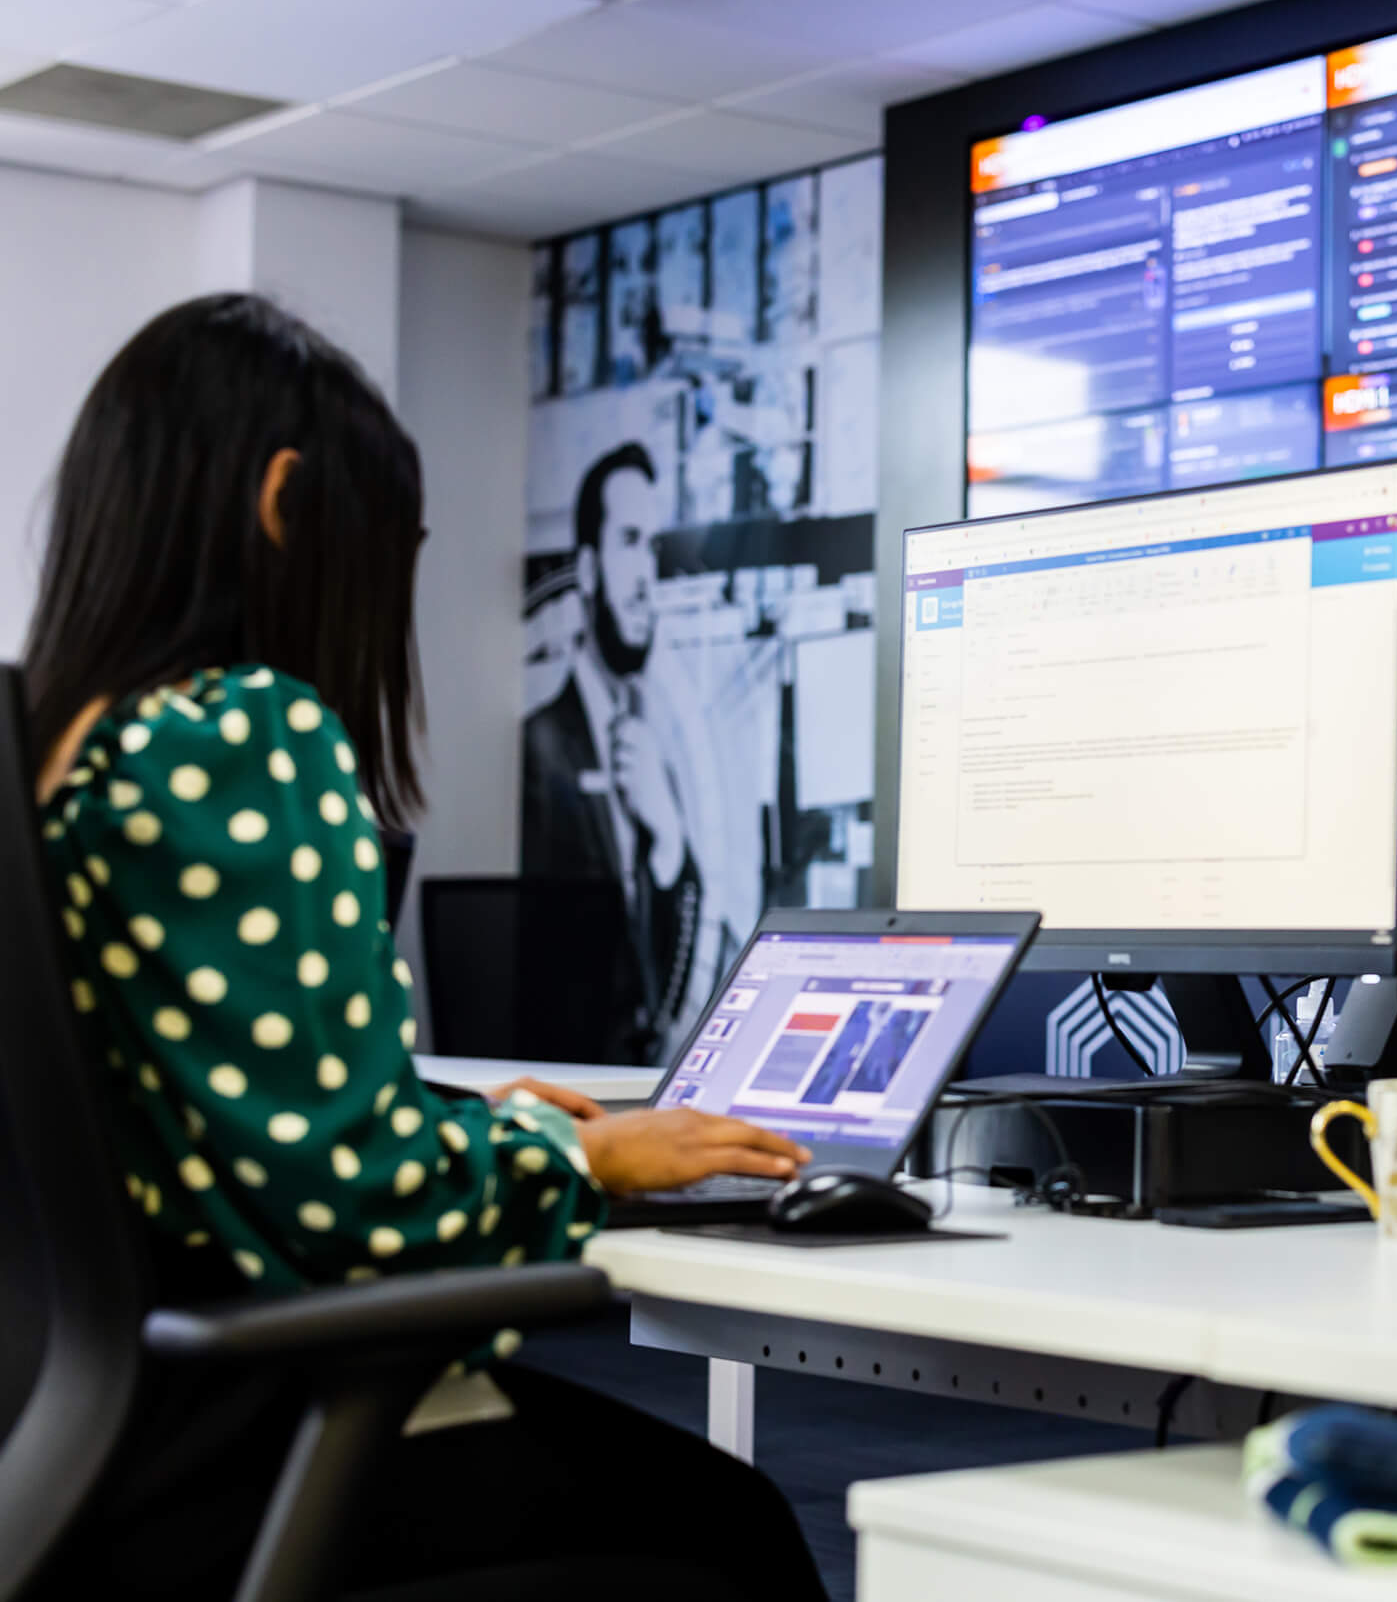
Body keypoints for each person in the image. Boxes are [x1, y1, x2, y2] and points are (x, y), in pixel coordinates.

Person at [21, 294, 829, 1600]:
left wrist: (453, 1111)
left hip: (86, 1464)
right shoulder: (238, 735)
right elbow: (362, 1203)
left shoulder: (65, 753)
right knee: (738, 1530)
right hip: (249, 1446)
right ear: (288, 502)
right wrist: (585, 1148)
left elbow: (211, 1123)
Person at [522, 441, 706, 1059]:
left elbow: (660, 986)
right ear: (590, 567)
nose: (646, 576)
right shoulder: (542, 746)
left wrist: (669, 843)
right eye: (629, 541)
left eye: (653, 546)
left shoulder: (652, 754)